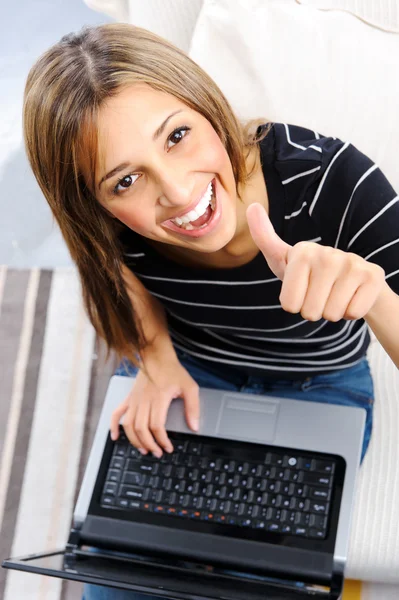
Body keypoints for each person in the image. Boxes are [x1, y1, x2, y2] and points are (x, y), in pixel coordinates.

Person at [23, 22, 399, 600]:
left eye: (176, 136)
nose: (175, 191)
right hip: (190, 368)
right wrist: (154, 358)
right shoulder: (111, 228)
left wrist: (375, 297)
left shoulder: (336, 183)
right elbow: (120, 275)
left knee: (261, 580)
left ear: (206, 105)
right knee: (121, 576)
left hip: (320, 385)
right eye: (126, 180)